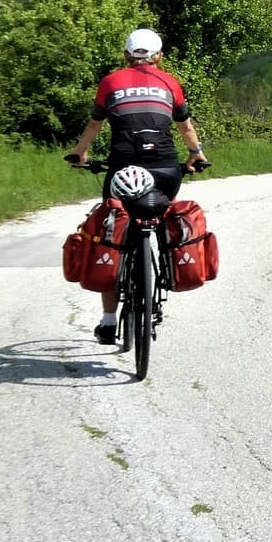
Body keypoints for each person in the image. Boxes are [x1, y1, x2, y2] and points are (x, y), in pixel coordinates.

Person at [65, 27, 210, 344]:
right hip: (165, 169)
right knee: (159, 213)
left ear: (126, 55)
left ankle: (107, 321)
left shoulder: (110, 82)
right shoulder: (170, 82)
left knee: (112, 228)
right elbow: (184, 126)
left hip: (122, 168)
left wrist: (81, 153)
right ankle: (162, 262)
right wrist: (196, 154)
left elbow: (95, 123)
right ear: (159, 56)